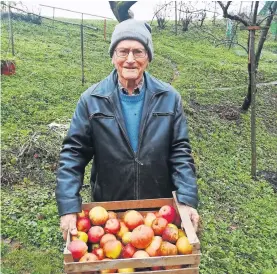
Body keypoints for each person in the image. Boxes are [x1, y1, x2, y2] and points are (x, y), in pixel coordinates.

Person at [56, 19, 199, 241]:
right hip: (110, 211)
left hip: (158, 211)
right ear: (113, 56)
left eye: (138, 51)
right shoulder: (91, 100)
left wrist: (187, 199)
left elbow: (180, 151)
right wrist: (67, 206)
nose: (130, 59)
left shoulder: (169, 98)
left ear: (148, 57)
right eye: (123, 51)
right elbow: (73, 154)